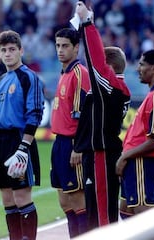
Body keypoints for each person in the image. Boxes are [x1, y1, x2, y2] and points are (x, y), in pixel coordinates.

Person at [71, 1, 131, 230]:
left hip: (103, 153)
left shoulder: (113, 87)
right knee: (95, 213)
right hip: (95, 152)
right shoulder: (112, 88)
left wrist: (88, 24)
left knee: (103, 215)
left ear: (109, 67)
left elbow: (95, 61)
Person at [0, 30, 45, 240]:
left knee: (21, 196)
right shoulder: (0, 80)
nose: (8, 54)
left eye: (12, 50)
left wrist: (23, 149)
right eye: (4, 50)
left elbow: (35, 114)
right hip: (1, 142)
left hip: (19, 140)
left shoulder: (29, 77)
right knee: (7, 199)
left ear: (20, 51)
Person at [116, 48, 154, 219]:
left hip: (142, 164)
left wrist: (124, 156)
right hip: (136, 164)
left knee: (143, 220)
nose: (138, 68)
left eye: (142, 64)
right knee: (126, 212)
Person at [50, 28, 90, 238]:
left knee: (77, 200)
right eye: (57, 45)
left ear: (76, 47)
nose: (60, 50)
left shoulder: (79, 73)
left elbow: (82, 115)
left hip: (72, 143)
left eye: (65, 46)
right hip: (59, 142)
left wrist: (78, 146)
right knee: (65, 201)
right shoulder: (64, 72)